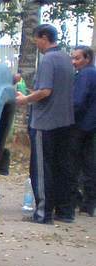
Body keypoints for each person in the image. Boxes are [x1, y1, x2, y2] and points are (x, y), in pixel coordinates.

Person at [16, 24, 77, 224]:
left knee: (41, 169)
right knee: (61, 167)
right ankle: (63, 211)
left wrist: (25, 99)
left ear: (44, 37)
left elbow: (45, 91)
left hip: (45, 122)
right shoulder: (66, 58)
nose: (37, 45)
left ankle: (42, 213)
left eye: (37, 41)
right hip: (65, 121)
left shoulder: (48, 60)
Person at [71, 45, 96, 217]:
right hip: (90, 125)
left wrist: (69, 118)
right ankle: (88, 203)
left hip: (81, 125)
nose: (74, 62)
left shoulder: (86, 74)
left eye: (77, 58)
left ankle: (78, 200)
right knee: (89, 165)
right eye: (72, 58)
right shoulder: (92, 73)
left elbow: (78, 101)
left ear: (88, 58)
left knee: (74, 164)